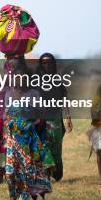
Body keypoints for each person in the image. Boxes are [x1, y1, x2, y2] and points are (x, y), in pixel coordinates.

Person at [3, 55, 51, 200]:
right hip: (11, 141)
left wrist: (31, 122)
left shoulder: (34, 94)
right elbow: (5, 115)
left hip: (28, 141)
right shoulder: (8, 94)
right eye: (16, 76)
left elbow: (41, 116)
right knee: (10, 174)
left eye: (22, 76)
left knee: (27, 174)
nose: (18, 79)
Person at [37, 53, 73, 181]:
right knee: (44, 145)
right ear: (41, 65)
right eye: (44, 63)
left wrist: (68, 117)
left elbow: (64, 99)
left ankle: (57, 172)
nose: (47, 65)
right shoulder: (36, 80)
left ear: (53, 64)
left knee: (56, 146)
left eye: (49, 62)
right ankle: (46, 174)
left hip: (56, 118)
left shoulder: (57, 80)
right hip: (41, 119)